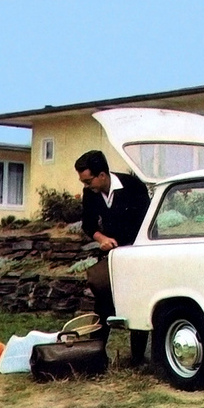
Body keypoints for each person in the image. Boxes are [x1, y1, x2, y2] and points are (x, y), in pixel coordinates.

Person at [75, 150, 151, 366]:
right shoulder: (90, 193)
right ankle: (95, 357)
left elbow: (147, 220)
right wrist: (102, 238)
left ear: (102, 175)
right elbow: (88, 225)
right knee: (103, 301)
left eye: (88, 180)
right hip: (112, 254)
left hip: (137, 252)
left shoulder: (133, 187)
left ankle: (137, 358)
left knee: (137, 302)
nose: (86, 185)